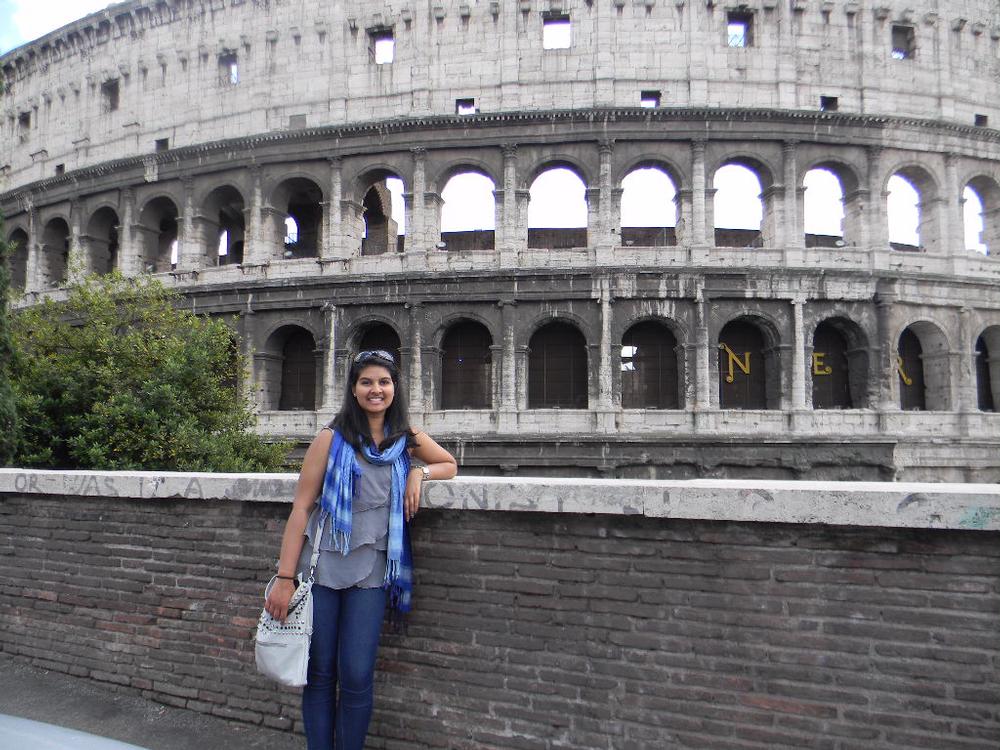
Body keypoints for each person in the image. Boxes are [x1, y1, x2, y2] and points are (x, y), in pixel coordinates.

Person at [265, 349, 457, 750]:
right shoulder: (330, 439)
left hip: (372, 573)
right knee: (319, 673)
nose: (376, 390)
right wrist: (284, 579)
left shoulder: (405, 438)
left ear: (394, 389)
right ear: (353, 390)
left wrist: (419, 473)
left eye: (384, 382)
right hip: (322, 572)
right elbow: (301, 509)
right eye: (366, 382)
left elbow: (449, 464)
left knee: (356, 674)